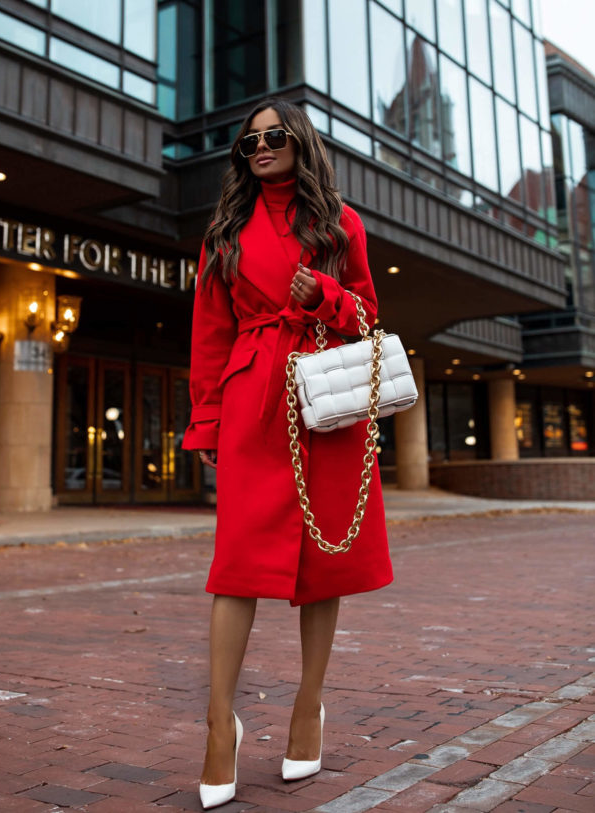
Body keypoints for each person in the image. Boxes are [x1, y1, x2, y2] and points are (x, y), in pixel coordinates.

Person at [181, 97, 393, 809]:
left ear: (300, 141)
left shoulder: (341, 223)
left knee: (322, 560)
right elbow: (210, 333)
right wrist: (206, 419)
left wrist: (326, 293)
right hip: (252, 401)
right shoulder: (225, 232)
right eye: (249, 143)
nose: (261, 148)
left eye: (274, 137)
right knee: (234, 564)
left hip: (324, 404)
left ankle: (309, 706)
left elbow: (367, 316)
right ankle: (220, 723)